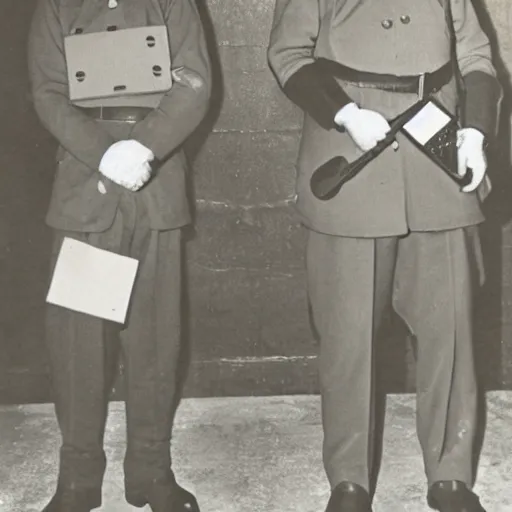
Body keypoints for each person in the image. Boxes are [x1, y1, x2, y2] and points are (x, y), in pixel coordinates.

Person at [267, 0, 501, 511]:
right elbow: (287, 53)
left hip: (437, 148)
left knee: (451, 328)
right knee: (348, 336)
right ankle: (350, 482)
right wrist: (344, 113)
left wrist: (477, 133)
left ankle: (451, 476)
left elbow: (478, 56)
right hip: (351, 149)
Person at [27, 0, 211, 510]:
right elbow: (47, 91)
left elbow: (194, 81)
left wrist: (145, 147)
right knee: (81, 345)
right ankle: (79, 479)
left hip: (157, 181)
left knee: (155, 341)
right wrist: (105, 152)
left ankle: (151, 473)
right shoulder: (58, 6)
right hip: (89, 188)